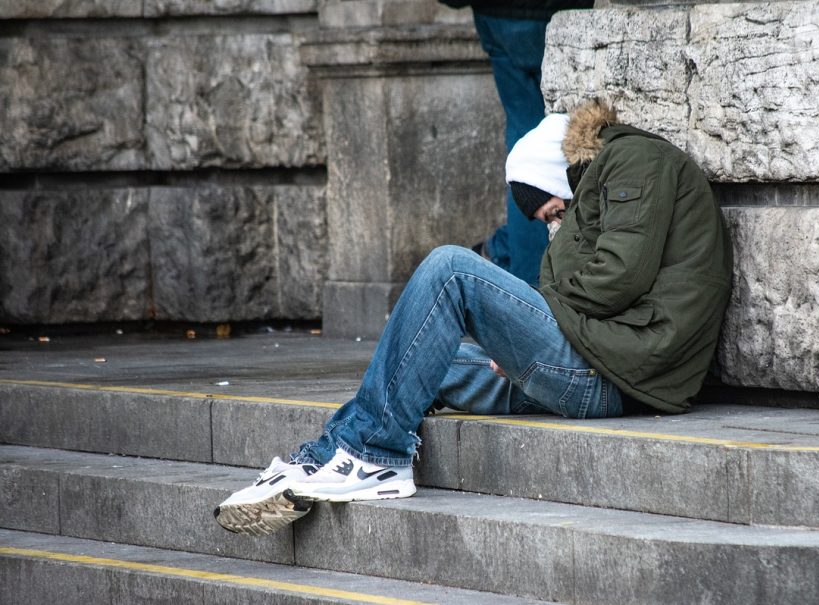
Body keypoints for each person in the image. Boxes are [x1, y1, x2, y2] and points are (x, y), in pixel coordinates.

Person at [214, 100, 733, 536]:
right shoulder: (595, 195)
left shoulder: (637, 161)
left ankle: (375, 453)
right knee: (419, 354)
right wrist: (520, 339)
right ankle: (321, 457)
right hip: (605, 361)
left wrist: (526, 334)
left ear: (560, 178)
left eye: (552, 212)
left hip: (619, 374)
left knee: (451, 268)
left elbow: (618, 276)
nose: (555, 224)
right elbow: (596, 283)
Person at [440, 0, 594, 286]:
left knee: (527, 156)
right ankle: (527, 277)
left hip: (500, 15)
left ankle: (520, 276)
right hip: (565, 12)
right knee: (564, 148)